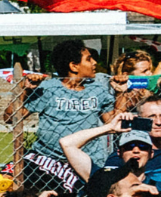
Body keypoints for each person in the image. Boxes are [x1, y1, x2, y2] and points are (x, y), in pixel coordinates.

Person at [10, 40, 114, 175]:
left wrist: (121, 93)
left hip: (87, 160)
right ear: (74, 66)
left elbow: (111, 123)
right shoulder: (48, 89)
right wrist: (24, 90)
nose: (94, 62)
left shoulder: (97, 89)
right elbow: (11, 117)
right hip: (50, 162)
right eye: (89, 59)